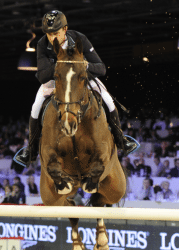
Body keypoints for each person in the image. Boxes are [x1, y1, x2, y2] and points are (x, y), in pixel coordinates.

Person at [14, 10, 139, 167]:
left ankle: (122, 140)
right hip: (56, 80)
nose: (52, 38)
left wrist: (86, 65)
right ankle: (31, 150)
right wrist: (62, 66)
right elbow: (42, 76)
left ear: (65, 30)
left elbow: (101, 68)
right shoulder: (42, 44)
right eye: (48, 34)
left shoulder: (80, 38)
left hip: (81, 78)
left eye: (56, 33)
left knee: (107, 99)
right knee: (36, 106)